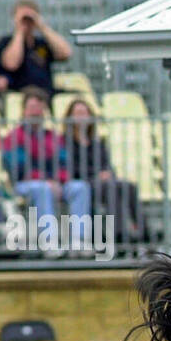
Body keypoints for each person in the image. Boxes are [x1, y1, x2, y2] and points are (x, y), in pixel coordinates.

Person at [1, 87, 87, 253]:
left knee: (79, 187)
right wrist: (45, 179)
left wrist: (59, 180)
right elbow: (17, 167)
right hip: (23, 185)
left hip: (54, 183)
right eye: (32, 108)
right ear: (24, 111)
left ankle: (79, 241)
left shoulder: (53, 137)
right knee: (42, 188)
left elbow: (64, 162)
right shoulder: (14, 137)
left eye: (39, 108)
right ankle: (49, 242)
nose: (36, 112)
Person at [60, 97, 146, 248]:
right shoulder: (64, 142)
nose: (82, 117)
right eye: (78, 113)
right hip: (83, 182)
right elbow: (70, 168)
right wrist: (97, 175)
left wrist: (108, 174)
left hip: (103, 180)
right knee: (111, 187)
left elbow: (108, 166)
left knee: (128, 186)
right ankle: (118, 234)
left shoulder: (97, 143)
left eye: (85, 113)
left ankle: (143, 231)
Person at [0, 0, 72, 96]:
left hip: (46, 91)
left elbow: (66, 54)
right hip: (20, 92)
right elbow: (11, 64)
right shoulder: (6, 41)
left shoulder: (41, 43)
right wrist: (19, 30)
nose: (27, 21)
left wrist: (42, 27)